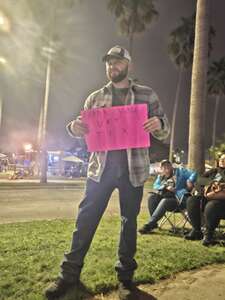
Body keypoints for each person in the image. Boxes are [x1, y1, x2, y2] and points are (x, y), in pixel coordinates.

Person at [45, 45, 170, 300]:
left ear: (128, 65)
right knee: (85, 222)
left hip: (133, 170)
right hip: (99, 170)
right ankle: (68, 277)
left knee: (128, 224)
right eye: (109, 62)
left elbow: (165, 130)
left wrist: (159, 123)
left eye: (117, 62)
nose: (112, 66)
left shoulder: (146, 95)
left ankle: (125, 281)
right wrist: (73, 127)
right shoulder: (95, 97)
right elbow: (80, 127)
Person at [139, 159, 197, 234]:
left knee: (165, 201)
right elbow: (155, 185)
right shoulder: (161, 177)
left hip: (178, 200)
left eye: (168, 165)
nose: (166, 167)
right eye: (163, 166)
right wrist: (165, 186)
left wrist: (190, 180)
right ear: (161, 169)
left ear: (171, 165)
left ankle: (149, 224)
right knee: (151, 198)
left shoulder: (180, 171)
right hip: (165, 198)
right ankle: (154, 223)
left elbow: (194, 173)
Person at [185, 154, 225, 246]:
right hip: (208, 196)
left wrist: (219, 186)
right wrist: (212, 184)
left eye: (224, 159)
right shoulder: (213, 171)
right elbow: (199, 181)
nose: (222, 160)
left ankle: (208, 236)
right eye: (221, 159)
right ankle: (196, 230)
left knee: (212, 205)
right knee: (192, 200)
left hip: (221, 201)